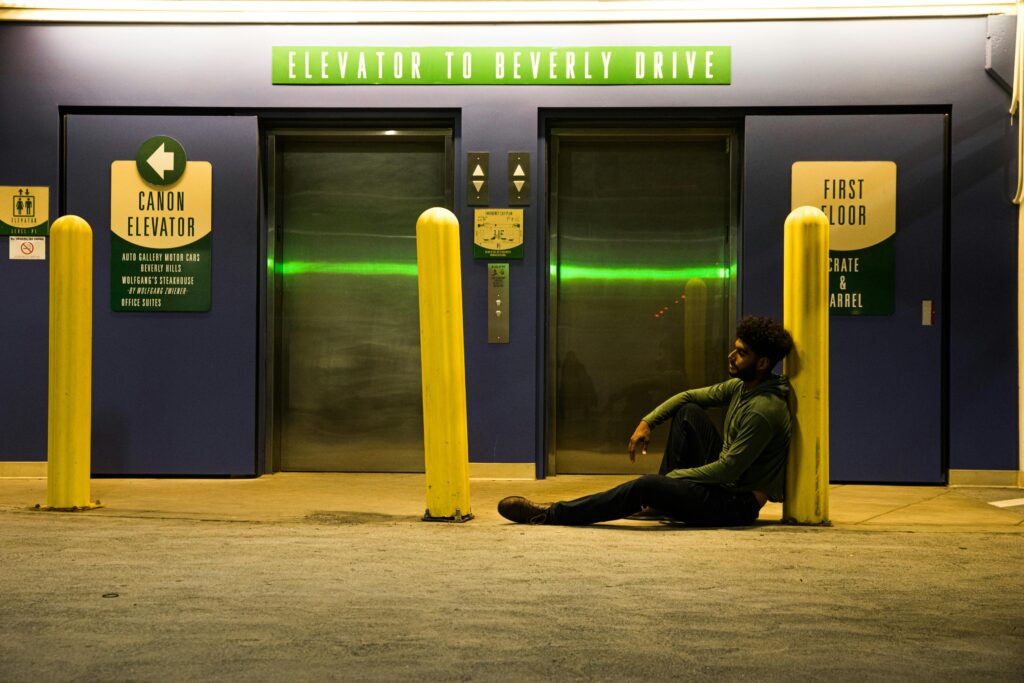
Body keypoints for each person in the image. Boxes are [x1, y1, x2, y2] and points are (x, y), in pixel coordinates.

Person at [498, 316, 794, 527]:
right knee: (689, 411)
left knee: (646, 486)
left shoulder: (763, 410)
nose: (731, 356)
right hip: (726, 484)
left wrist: (670, 481)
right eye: (735, 348)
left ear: (763, 363)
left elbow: (728, 469)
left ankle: (551, 514)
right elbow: (687, 396)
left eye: (741, 353)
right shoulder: (744, 386)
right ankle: (661, 502)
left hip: (734, 503)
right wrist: (647, 421)